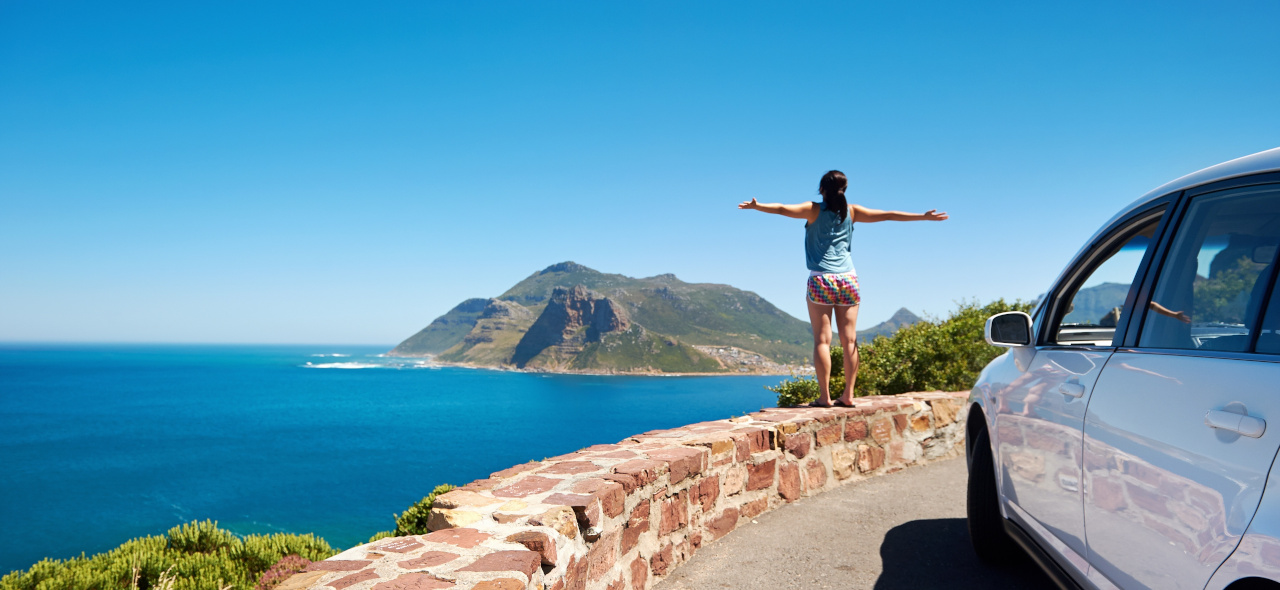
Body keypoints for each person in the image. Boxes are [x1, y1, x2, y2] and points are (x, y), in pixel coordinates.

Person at [738, 170, 948, 407]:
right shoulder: (853, 211)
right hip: (848, 279)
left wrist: (758, 206)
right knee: (849, 340)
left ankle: (825, 397)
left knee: (822, 340)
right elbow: (888, 215)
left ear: (821, 189)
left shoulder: (813, 209)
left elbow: (782, 209)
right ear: (844, 189)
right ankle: (848, 395)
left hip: (821, 279)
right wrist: (923, 216)